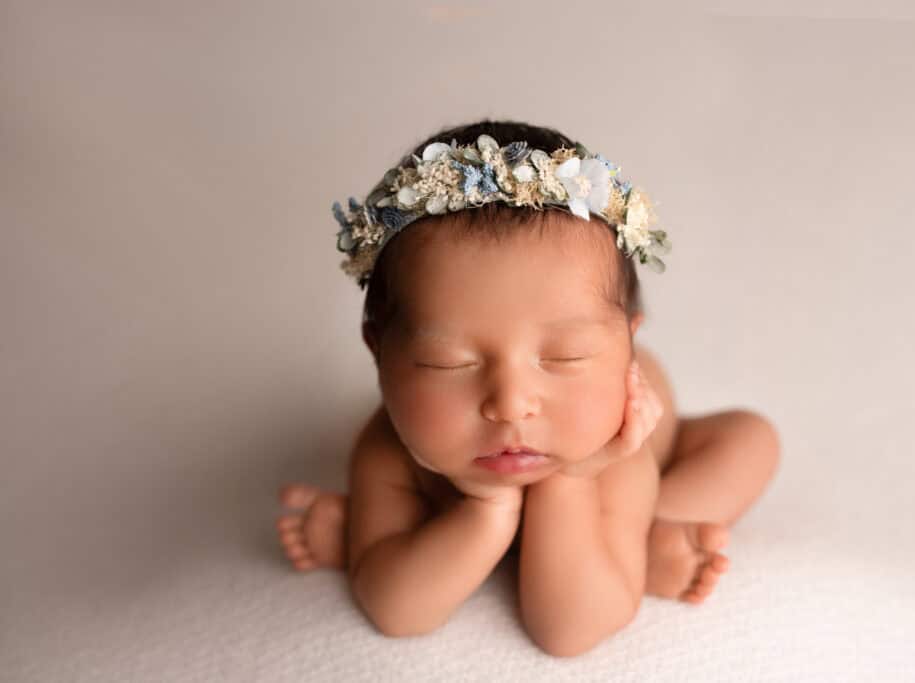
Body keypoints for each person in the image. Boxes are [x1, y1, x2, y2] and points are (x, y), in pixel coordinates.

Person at [275, 120, 782, 657]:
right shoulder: (389, 450)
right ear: (379, 352)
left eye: (566, 357)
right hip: (509, 497)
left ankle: (651, 529)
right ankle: (610, 549)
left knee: (749, 442)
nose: (511, 404)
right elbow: (396, 610)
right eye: (448, 363)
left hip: (642, 467)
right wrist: (486, 508)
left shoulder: (614, 441)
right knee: (411, 554)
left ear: (627, 345)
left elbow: (567, 631)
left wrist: (573, 479)